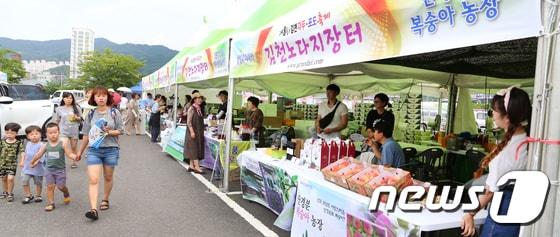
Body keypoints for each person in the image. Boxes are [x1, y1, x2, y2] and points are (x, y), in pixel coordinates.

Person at [461, 87, 532, 237]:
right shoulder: (528, 140)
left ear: (508, 117)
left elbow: (490, 192)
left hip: (503, 212)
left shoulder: (508, 151)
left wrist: (470, 214)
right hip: (520, 212)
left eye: (495, 110)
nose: (492, 113)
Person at [77, 86, 124, 221]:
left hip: (111, 149)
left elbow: (121, 130)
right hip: (94, 150)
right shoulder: (90, 114)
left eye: (103, 95)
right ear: (94, 98)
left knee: (108, 177)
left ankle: (105, 199)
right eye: (98, 96)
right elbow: (86, 135)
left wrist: (108, 132)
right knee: (93, 179)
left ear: (107, 97)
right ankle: (93, 209)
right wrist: (80, 152)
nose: (101, 98)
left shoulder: (115, 113)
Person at [30, 123, 77, 212]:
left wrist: (75, 157)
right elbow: (39, 154)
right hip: (49, 170)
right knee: (50, 187)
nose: (53, 135)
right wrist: (32, 161)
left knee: (61, 186)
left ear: (58, 132)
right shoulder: (45, 145)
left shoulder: (62, 144)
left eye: (55, 132)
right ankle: (51, 203)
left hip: (60, 170)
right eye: (50, 133)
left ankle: (66, 193)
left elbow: (69, 154)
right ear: (47, 134)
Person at [53, 92, 82, 168]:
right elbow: (57, 120)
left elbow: (81, 119)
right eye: (67, 98)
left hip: (74, 130)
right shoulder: (59, 109)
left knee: (74, 147)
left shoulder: (77, 108)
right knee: (62, 146)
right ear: (63, 98)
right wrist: (54, 130)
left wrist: (77, 118)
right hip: (63, 131)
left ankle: (74, 162)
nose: (69, 100)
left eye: (71, 98)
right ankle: (60, 162)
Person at [19, 125, 45, 204]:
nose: (34, 136)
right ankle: (28, 195)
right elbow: (26, 154)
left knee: (38, 182)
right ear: (28, 136)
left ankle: (38, 195)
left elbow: (41, 156)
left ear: (40, 134)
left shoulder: (42, 145)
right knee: (25, 181)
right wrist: (22, 161)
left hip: (38, 167)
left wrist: (35, 163)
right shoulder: (28, 144)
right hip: (27, 167)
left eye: (36, 134)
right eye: (31, 134)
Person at [0, 123, 24, 202]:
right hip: (2, 164)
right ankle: (5, 192)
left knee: (10, 178)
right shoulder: (2, 142)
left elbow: (22, 152)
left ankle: (10, 193)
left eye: (12, 133)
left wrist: (22, 161)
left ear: (16, 133)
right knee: (3, 178)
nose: (9, 135)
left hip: (12, 164)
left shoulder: (18, 143)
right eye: (7, 133)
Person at [183, 92, 206, 174]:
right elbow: (189, 122)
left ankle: (191, 166)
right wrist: (192, 132)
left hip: (198, 131)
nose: (200, 100)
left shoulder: (198, 108)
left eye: (200, 98)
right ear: (194, 100)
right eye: (198, 98)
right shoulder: (191, 108)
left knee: (193, 148)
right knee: (194, 148)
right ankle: (197, 167)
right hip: (192, 131)